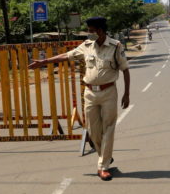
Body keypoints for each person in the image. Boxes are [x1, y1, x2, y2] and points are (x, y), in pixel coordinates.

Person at [31, 16, 130, 181]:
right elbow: (67, 55)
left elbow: (125, 69)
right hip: (90, 93)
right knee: (93, 130)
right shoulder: (86, 46)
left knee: (108, 128)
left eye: (91, 31)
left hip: (109, 92)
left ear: (100, 30)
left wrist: (127, 94)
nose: (89, 34)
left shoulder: (115, 46)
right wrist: (45, 62)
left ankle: (103, 166)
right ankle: (104, 155)